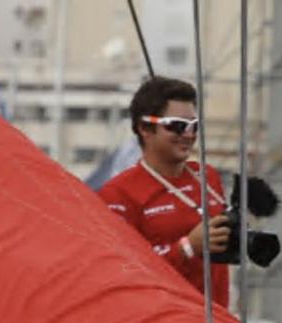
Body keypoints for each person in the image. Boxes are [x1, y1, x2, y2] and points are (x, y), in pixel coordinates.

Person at [97, 75, 231, 305]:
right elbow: (121, 272)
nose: (188, 135)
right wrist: (187, 248)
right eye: (177, 126)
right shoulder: (118, 193)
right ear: (145, 128)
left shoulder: (207, 177)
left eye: (194, 125)